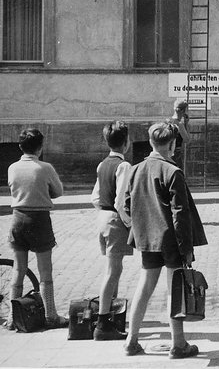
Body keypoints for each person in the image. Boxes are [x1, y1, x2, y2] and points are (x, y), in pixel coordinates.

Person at [122, 122, 207, 358]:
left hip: (147, 239)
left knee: (144, 285)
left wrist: (140, 227)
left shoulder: (136, 169)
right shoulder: (173, 171)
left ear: (150, 142)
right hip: (171, 240)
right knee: (175, 288)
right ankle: (178, 343)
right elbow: (181, 213)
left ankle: (131, 339)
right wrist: (187, 247)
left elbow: (127, 205)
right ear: (172, 144)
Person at [6, 129, 68, 329]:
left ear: (19, 147)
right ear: (41, 148)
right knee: (45, 271)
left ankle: (12, 316)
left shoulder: (12, 167)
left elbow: (13, 188)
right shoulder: (45, 167)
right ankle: (51, 315)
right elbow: (58, 191)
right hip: (40, 219)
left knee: (18, 269)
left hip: (17, 218)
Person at [89, 121, 133, 341]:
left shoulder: (102, 164)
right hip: (115, 220)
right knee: (113, 272)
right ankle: (102, 321)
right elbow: (121, 201)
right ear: (126, 143)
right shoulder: (123, 166)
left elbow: (95, 197)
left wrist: (104, 213)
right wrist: (128, 222)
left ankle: (109, 316)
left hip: (103, 219)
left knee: (112, 268)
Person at [169, 100, 191, 170]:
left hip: (166, 153)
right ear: (183, 111)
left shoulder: (168, 121)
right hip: (175, 155)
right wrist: (186, 124)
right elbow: (187, 140)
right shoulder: (179, 124)